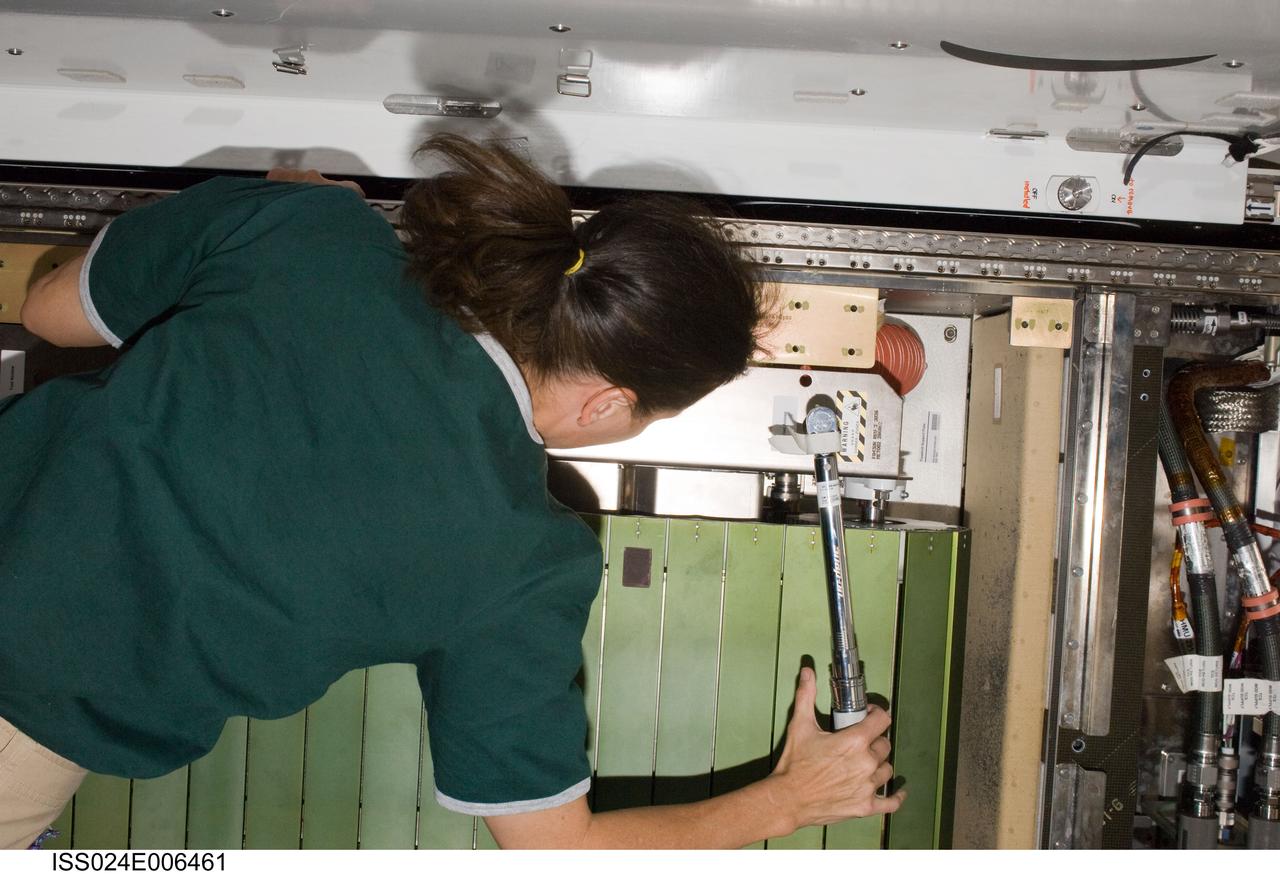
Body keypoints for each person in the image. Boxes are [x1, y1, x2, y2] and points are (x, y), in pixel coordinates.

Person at [1, 134, 902, 850]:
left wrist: (252, 209)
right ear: (610, 403)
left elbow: (48, 311)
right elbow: (557, 850)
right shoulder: (524, 564)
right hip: (26, 718)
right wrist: (788, 801)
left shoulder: (312, 232)